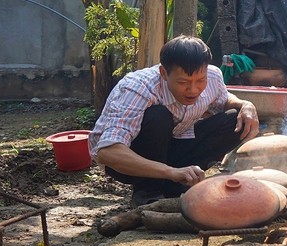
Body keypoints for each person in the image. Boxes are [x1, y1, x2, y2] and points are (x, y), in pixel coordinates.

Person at [89, 35, 260, 209]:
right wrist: (170, 171)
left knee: (235, 118)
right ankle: (148, 193)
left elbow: (223, 100)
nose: (193, 90)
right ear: (164, 73)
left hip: (172, 148)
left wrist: (245, 104)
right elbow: (108, 152)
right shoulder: (138, 88)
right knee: (158, 116)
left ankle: (176, 185)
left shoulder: (213, 75)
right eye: (183, 82)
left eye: (200, 81)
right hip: (129, 161)